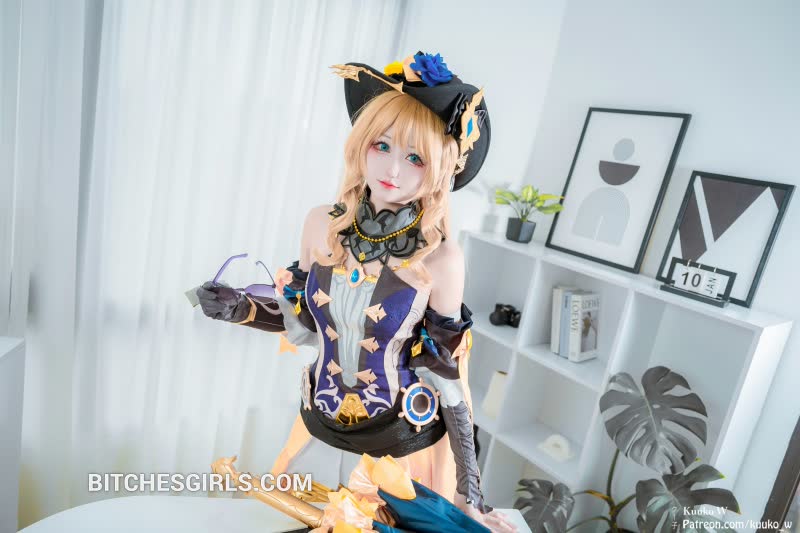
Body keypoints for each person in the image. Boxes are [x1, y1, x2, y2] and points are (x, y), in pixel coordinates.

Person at [197, 52, 515, 532]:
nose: (392, 168)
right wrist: (238, 308)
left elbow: (450, 382)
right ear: (360, 143)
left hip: (398, 454)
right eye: (381, 145)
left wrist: (470, 492)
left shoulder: (441, 258)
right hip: (318, 432)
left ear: (440, 169)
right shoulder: (320, 224)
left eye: (415, 157)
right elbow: (302, 321)